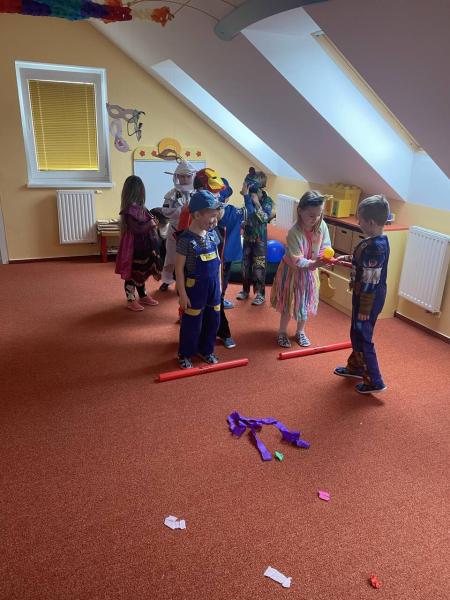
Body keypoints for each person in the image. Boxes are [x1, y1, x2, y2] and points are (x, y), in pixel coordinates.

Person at [334, 195, 390, 394]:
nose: (358, 223)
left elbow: (371, 279)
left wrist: (365, 308)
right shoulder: (372, 241)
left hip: (369, 298)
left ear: (371, 222)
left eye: (361, 220)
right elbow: (362, 260)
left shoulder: (376, 247)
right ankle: (357, 366)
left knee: (363, 336)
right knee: (356, 332)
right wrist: (348, 258)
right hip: (363, 295)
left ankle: (375, 381)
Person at [270, 190, 331, 347]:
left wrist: (325, 256)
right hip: (292, 272)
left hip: (310, 272)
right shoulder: (294, 232)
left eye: (319, 214)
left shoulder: (322, 225)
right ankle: (282, 332)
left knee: (305, 301)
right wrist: (314, 264)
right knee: (288, 302)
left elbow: (326, 245)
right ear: (300, 211)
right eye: (311, 215)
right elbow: (297, 260)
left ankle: (300, 331)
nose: (315, 218)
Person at [175, 190, 223, 369]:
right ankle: (185, 353)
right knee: (192, 322)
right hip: (195, 287)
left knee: (213, 320)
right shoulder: (185, 240)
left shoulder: (212, 235)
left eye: (216, 216)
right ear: (196, 215)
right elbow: (179, 269)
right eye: (211, 217)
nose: (215, 221)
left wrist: (219, 287)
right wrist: (182, 294)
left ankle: (206, 350)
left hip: (213, 287)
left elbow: (218, 262)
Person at [115, 175, 163, 311]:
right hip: (133, 247)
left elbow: (147, 223)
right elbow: (136, 229)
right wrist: (151, 224)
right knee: (132, 272)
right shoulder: (128, 211)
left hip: (144, 246)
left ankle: (143, 295)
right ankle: (130, 299)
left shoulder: (143, 209)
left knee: (141, 272)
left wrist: (153, 222)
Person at [236, 168, 274, 305]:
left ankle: (260, 294)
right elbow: (248, 214)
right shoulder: (247, 198)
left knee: (259, 265)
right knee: (245, 265)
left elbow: (264, 218)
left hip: (260, 240)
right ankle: (245, 290)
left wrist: (256, 202)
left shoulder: (267, 200)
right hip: (248, 237)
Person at [159, 159, 196, 291]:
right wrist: (180, 211)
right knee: (171, 256)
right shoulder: (171, 194)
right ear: (177, 177)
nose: (185, 179)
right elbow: (165, 211)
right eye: (182, 176)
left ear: (192, 176)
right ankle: (167, 279)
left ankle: (188, 281)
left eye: (188, 176)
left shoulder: (197, 193)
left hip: (193, 230)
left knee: (191, 257)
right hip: (175, 230)